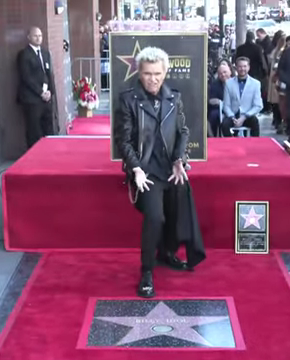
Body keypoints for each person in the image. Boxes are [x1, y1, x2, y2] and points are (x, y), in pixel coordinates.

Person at [113, 46, 206, 298]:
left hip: (170, 169)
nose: (152, 79)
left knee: (178, 209)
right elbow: (124, 141)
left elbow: (183, 131)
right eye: (146, 74)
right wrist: (135, 169)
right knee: (156, 217)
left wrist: (179, 159)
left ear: (165, 73)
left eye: (156, 73)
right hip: (145, 172)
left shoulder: (173, 97)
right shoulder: (128, 99)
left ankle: (167, 252)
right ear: (139, 74)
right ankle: (146, 271)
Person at [17, 26, 57, 148]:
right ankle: (34, 155)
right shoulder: (24, 55)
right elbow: (26, 77)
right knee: (34, 130)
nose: (38, 38)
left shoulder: (45, 53)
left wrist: (50, 92)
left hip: (46, 99)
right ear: (29, 37)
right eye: (35, 36)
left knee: (48, 127)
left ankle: (49, 152)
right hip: (32, 99)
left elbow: (48, 74)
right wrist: (40, 92)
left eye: (40, 36)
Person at [221, 57, 263, 137]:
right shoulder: (228, 83)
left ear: (249, 67)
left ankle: (254, 146)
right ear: (236, 67)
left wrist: (244, 117)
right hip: (233, 115)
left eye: (244, 66)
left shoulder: (256, 84)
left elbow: (258, 105)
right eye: (240, 66)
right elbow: (226, 105)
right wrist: (232, 117)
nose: (242, 69)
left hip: (248, 115)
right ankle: (231, 145)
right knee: (224, 124)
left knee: (255, 122)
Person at [208, 61, 232, 136]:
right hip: (219, 109)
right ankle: (214, 138)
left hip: (234, 109)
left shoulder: (236, 82)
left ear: (230, 72)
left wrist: (222, 102)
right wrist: (221, 103)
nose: (223, 75)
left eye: (225, 72)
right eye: (220, 73)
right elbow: (211, 100)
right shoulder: (215, 84)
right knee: (213, 115)